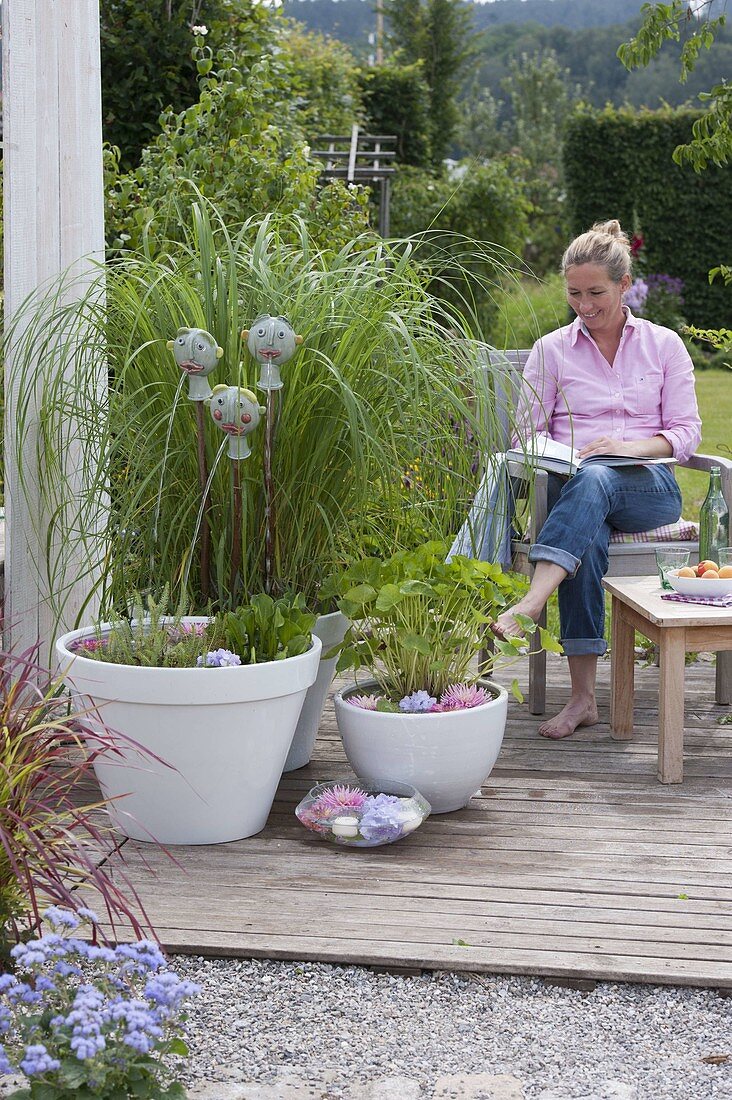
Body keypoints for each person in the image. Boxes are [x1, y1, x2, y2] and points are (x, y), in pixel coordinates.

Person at [491, 220, 701, 739]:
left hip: (649, 488)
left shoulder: (664, 345)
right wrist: (563, 455)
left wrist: (628, 447)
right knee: (587, 514)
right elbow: (525, 433)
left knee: (599, 482)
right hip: (575, 484)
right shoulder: (551, 350)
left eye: (596, 293)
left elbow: (686, 432)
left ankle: (532, 603)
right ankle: (583, 700)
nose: (584, 305)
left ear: (625, 284)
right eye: (574, 293)